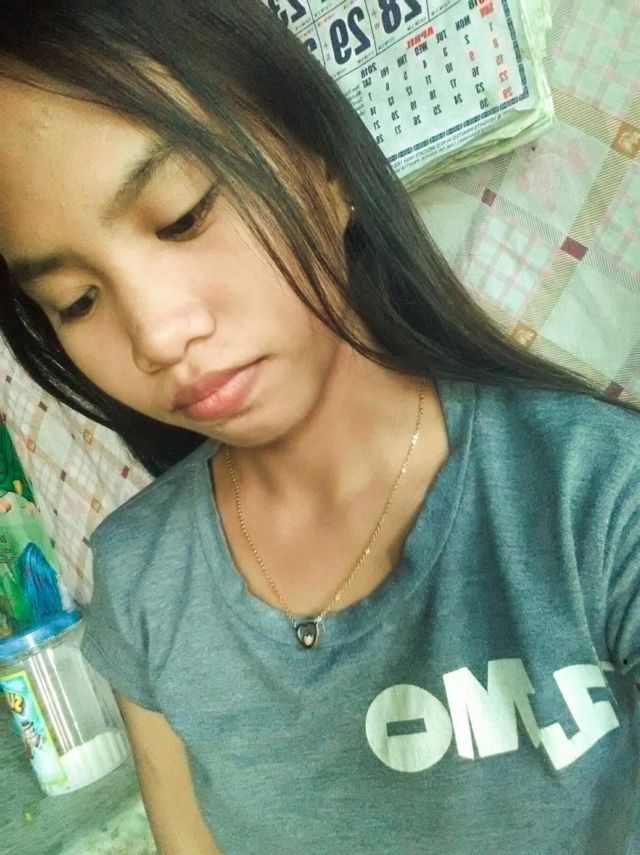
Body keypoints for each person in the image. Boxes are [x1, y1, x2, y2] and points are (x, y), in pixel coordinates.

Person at [0, 2, 638, 853]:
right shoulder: (144, 578)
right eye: (76, 300)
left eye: (186, 215)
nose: (155, 336)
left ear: (324, 161)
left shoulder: (596, 496)